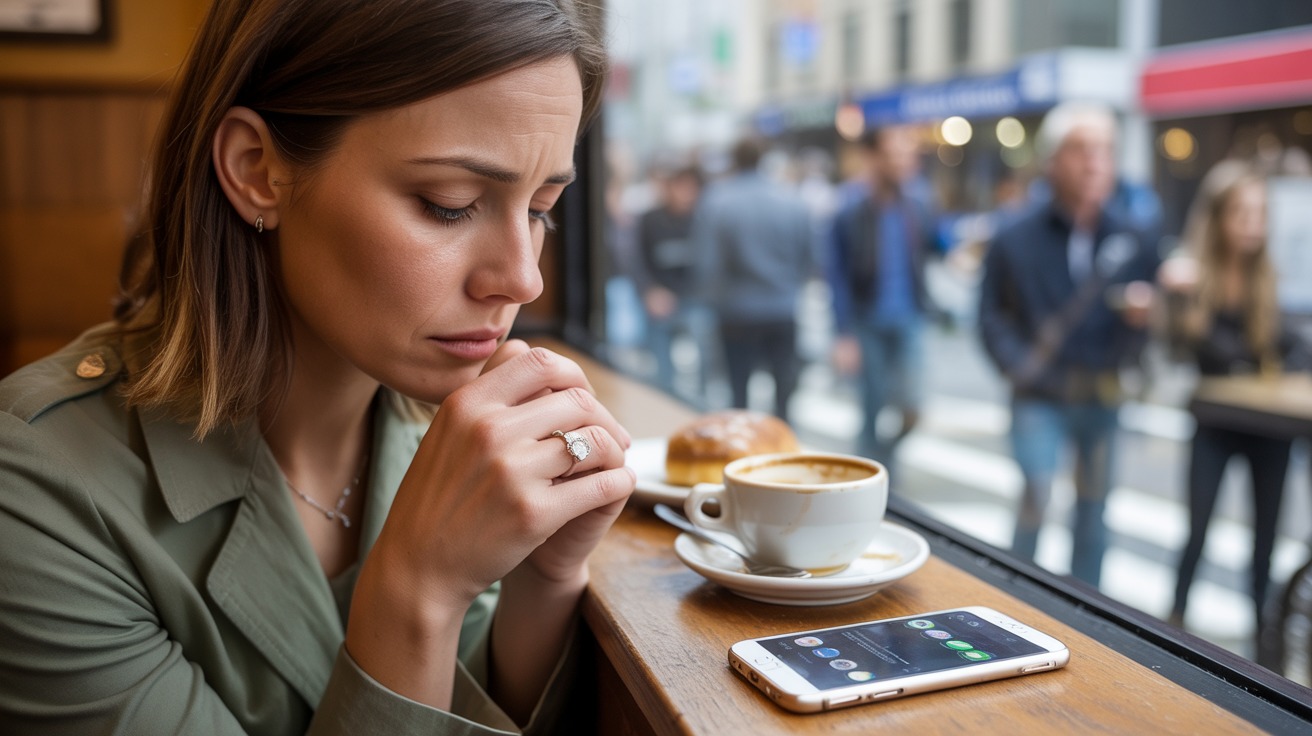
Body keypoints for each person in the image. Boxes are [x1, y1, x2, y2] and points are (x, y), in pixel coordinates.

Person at [0, 2, 634, 734]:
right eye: (449, 205)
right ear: (256, 170)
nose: (525, 280)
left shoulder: (447, 432)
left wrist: (544, 578)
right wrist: (414, 598)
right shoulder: (35, 495)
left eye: (542, 208)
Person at [977, 102, 1161, 588]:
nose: (1095, 161)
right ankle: (1016, 598)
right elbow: (990, 314)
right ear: (1052, 160)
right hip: (1040, 394)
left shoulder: (1134, 236)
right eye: (1081, 149)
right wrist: (1019, 368)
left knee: (1094, 508)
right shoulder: (1014, 234)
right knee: (1037, 496)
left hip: (1101, 394)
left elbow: (1146, 321)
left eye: (1105, 150)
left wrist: (1144, 318)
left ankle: (1089, 614)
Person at [1159, 167, 1310, 634]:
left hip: (1268, 427)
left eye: (1259, 214)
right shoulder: (1189, 275)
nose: (1251, 224)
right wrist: (1174, 296)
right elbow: (1190, 346)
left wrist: (1272, 363)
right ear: (1218, 216)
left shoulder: (1264, 277)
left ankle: (1263, 639)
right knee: (1197, 529)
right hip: (1216, 423)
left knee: (1265, 540)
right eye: (1241, 213)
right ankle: (1176, 620)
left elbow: (1294, 346)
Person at [826, 125, 940, 466]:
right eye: (894, 156)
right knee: (871, 408)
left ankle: (881, 462)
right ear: (872, 157)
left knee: (913, 407)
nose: (903, 164)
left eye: (908, 156)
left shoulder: (917, 204)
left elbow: (934, 243)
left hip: (911, 319)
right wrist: (843, 335)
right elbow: (837, 276)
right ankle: (871, 478)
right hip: (867, 321)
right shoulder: (848, 210)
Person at [691, 137, 814, 423]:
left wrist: (707, 299)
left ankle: (743, 459)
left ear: (734, 160)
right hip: (782, 307)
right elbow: (809, 257)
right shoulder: (792, 199)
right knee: (784, 391)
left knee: (738, 394)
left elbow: (707, 263)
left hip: (736, 310)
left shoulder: (718, 201)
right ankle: (785, 450)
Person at [636, 163, 712, 402]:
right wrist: (648, 290)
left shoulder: (704, 220)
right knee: (662, 369)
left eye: (692, 188)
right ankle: (665, 402)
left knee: (705, 359)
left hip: (695, 298)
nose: (686, 194)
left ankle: (700, 404)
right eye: (682, 187)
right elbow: (635, 259)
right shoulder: (650, 219)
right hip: (660, 297)